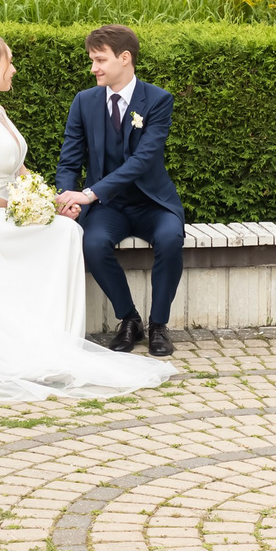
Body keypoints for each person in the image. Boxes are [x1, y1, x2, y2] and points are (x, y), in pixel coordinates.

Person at [0, 36, 176, 401]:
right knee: (69, 235)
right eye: (9, 61)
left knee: (67, 230)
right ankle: (49, 339)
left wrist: (48, 201)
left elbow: (19, 170)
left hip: (17, 207)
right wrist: (20, 209)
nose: (14, 68)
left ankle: (61, 336)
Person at [53, 24, 185, 357]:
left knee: (170, 238)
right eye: (92, 60)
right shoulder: (84, 102)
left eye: (99, 60)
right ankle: (129, 320)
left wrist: (90, 193)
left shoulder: (157, 100)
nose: (93, 67)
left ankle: (159, 326)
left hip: (152, 203)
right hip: (108, 208)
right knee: (93, 243)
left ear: (124, 58)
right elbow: (69, 161)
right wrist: (68, 198)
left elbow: (142, 160)